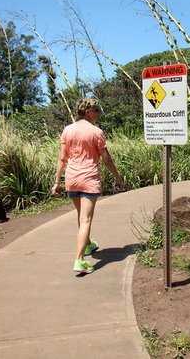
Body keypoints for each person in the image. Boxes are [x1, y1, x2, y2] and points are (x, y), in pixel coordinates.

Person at [52, 98, 125, 274]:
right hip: (88, 179)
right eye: (96, 110)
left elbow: (63, 158)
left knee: (81, 216)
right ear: (87, 112)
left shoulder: (67, 130)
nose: (98, 114)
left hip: (72, 179)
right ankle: (79, 261)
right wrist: (118, 178)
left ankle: (88, 245)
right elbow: (106, 158)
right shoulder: (96, 132)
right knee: (86, 219)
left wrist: (56, 182)